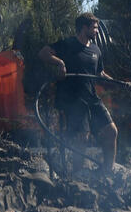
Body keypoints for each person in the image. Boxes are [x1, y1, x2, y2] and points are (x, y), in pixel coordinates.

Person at [37, 12, 118, 176]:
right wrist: (60, 62)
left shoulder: (96, 49)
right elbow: (43, 53)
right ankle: (77, 176)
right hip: (73, 99)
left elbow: (100, 73)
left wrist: (118, 83)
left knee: (111, 132)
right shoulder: (68, 44)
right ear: (84, 28)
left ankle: (108, 172)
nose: (97, 31)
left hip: (92, 98)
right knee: (82, 137)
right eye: (94, 28)